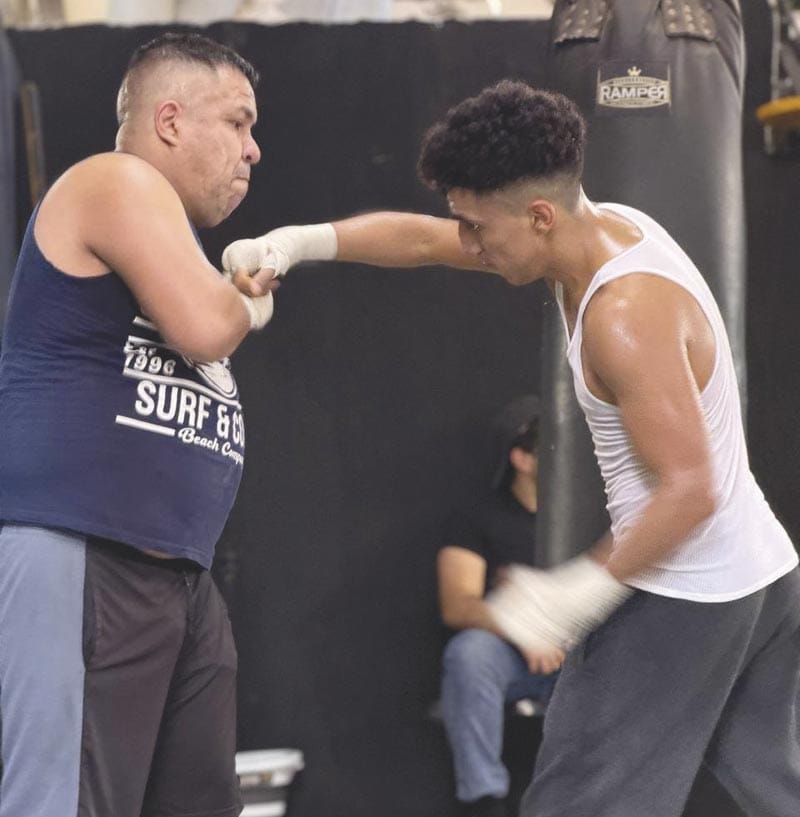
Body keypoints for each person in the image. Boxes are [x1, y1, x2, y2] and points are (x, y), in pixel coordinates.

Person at [222, 79, 800, 817]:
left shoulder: (623, 315)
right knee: (777, 790)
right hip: (761, 575)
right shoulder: (601, 228)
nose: (467, 243)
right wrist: (293, 244)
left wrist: (577, 591)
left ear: (538, 216)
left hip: (686, 591)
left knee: (575, 804)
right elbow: (422, 240)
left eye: (477, 227)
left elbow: (691, 486)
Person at [0, 32, 277, 817]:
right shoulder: (113, 179)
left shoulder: (171, 247)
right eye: (238, 122)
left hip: (177, 576)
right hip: (83, 554)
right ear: (169, 121)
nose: (253, 149)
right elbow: (206, 326)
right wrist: (249, 301)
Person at [438, 394, 558, 817]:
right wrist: (523, 628)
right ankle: (484, 800)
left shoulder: (593, 513)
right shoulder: (480, 517)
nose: (566, 455)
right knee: (469, 654)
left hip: (579, 655)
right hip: (515, 655)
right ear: (521, 459)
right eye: (552, 446)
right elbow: (457, 604)